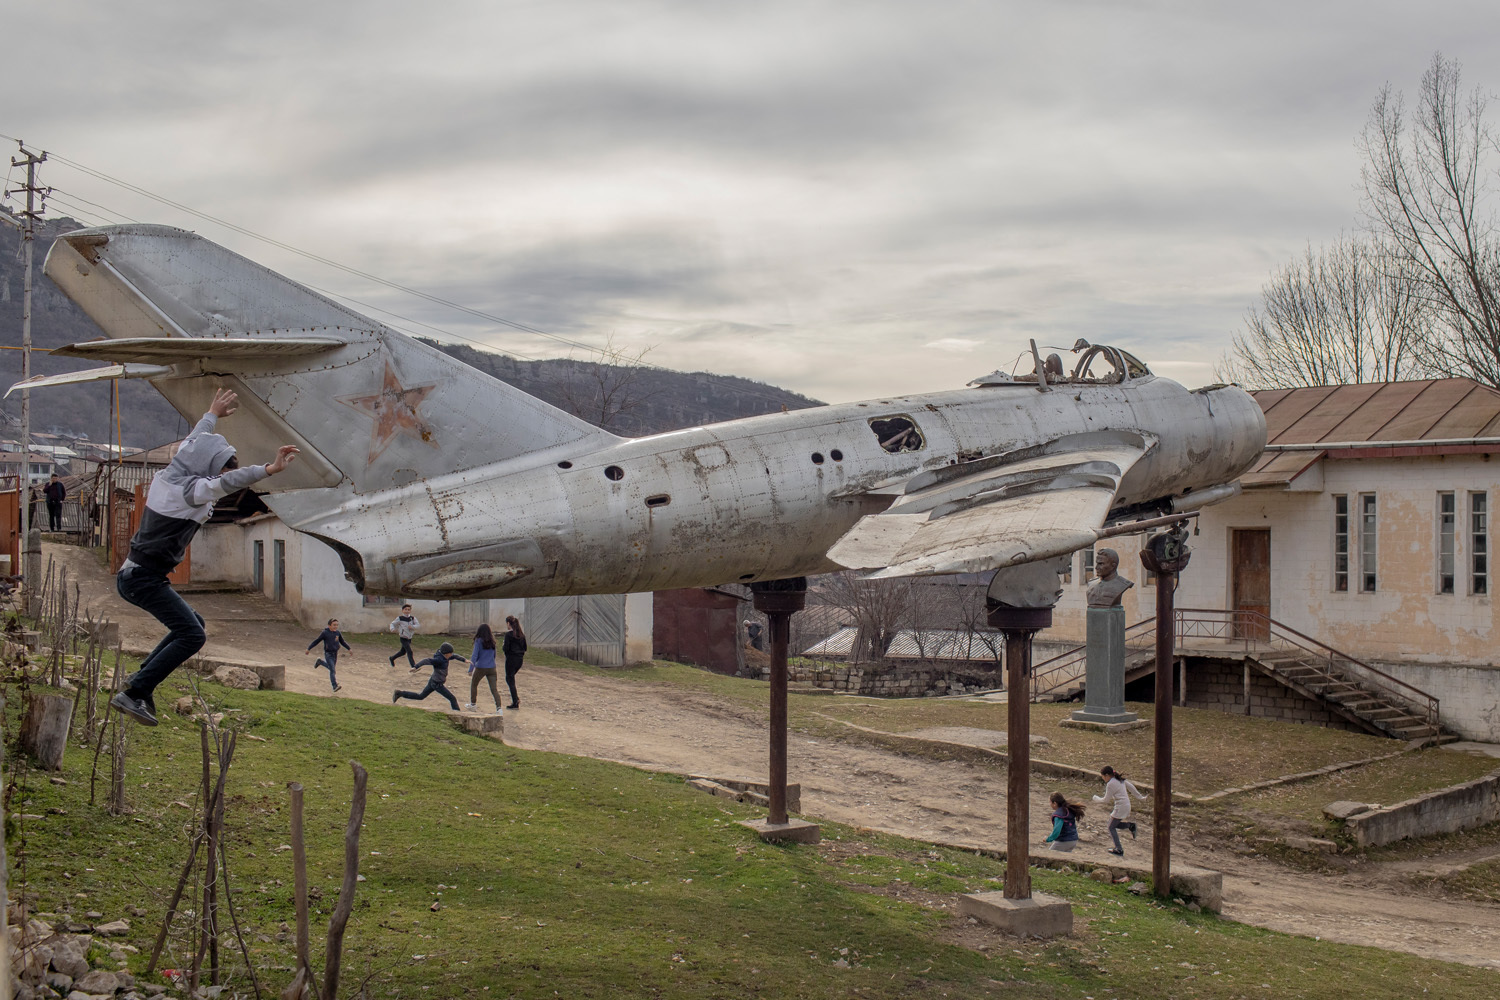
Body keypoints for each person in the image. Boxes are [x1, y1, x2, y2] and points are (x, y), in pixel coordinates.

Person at [111, 388, 299, 726]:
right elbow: (227, 482)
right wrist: (269, 469)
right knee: (193, 636)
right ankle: (136, 691)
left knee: (194, 625)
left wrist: (212, 413)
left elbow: (198, 437)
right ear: (208, 470)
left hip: (139, 575)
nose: (218, 479)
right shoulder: (192, 490)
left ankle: (141, 683)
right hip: (141, 579)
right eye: (216, 472)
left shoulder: (178, 467)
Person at [394, 641, 466, 711]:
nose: (451, 655)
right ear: (445, 653)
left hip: (433, 681)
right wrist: (416, 666)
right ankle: (457, 712)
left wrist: (464, 660)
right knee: (452, 698)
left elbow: (454, 656)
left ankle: (400, 693)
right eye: (450, 653)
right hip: (437, 684)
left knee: (421, 696)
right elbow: (426, 660)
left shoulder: (445, 657)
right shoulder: (439, 660)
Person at [1092, 765, 1145, 856]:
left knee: (1110, 827)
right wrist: (1141, 797)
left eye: (1103, 777)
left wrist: (1096, 799)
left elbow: (1106, 800)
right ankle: (1130, 826)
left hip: (1120, 807)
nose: (1103, 779)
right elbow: (1131, 787)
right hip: (1126, 805)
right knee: (1114, 825)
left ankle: (1119, 849)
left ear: (1107, 775)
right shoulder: (1119, 779)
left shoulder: (1111, 784)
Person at [465, 622, 503, 713]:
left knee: (474, 685)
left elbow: (474, 656)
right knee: (494, 689)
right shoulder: (492, 641)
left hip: (480, 667)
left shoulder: (478, 641)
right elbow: (494, 655)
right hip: (492, 668)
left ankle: (473, 704)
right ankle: (499, 708)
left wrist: (471, 669)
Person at [307, 618, 351, 692]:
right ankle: (334, 686)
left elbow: (342, 642)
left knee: (331, 668)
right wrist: (309, 648)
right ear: (329, 625)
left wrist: (349, 649)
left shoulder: (337, 633)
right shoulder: (325, 633)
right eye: (334, 625)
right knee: (332, 670)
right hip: (328, 654)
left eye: (337, 625)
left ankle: (320, 661)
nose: (335, 626)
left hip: (335, 653)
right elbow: (316, 641)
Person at [502, 615, 527, 709]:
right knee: (511, 678)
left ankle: (515, 701)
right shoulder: (521, 635)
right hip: (519, 660)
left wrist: (504, 646)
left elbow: (506, 648)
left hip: (511, 659)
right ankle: (515, 699)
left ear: (508, 623)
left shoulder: (508, 635)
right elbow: (525, 648)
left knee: (509, 679)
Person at [388, 604, 420, 668]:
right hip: (403, 637)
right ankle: (413, 666)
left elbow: (418, 625)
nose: (407, 611)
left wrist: (412, 626)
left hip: (409, 638)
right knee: (409, 651)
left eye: (408, 609)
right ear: (402, 610)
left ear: (410, 611)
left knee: (402, 652)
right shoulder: (400, 618)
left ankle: (392, 658)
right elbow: (392, 623)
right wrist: (392, 628)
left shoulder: (412, 618)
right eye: (405, 609)